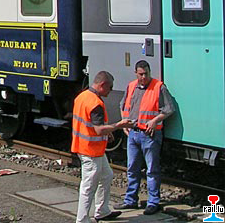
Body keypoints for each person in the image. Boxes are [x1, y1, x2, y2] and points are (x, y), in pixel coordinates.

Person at [72, 71, 134, 223]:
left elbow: (91, 124)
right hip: (90, 150)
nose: (111, 91)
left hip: (88, 147)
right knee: (88, 186)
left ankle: (102, 211)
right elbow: (99, 129)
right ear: (102, 85)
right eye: (110, 87)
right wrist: (119, 125)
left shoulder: (82, 96)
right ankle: (82, 219)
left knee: (106, 175)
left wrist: (108, 132)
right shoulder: (96, 103)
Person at [115, 60, 175, 216]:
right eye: (141, 74)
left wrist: (154, 121)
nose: (143, 77)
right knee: (132, 169)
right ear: (136, 73)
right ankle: (130, 200)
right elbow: (123, 106)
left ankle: (153, 202)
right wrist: (124, 122)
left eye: (146, 74)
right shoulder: (131, 86)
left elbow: (169, 109)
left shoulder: (158, 87)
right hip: (133, 133)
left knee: (152, 170)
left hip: (150, 135)